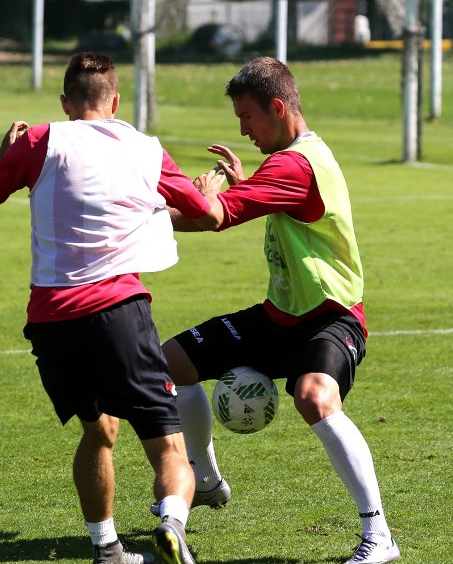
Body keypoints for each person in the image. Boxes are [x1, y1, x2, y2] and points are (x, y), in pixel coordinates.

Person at [0, 53, 219, 564]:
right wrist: (207, 192)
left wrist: (0, 159)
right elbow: (207, 216)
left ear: (64, 104)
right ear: (116, 102)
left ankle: (107, 548)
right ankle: (172, 524)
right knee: (167, 445)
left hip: (51, 319)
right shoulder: (145, 148)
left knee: (99, 430)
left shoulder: (38, 140)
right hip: (120, 311)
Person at [161, 57, 401, 564]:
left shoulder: (294, 164)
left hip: (331, 316)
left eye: (248, 117)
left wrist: (177, 197)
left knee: (314, 397)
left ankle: (379, 536)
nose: (243, 129)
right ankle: (204, 479)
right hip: (281, 316)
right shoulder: (294, 158)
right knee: (171, 363)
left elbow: (214, 217)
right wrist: (239, 187)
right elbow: (263, 201)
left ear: (278, 107)